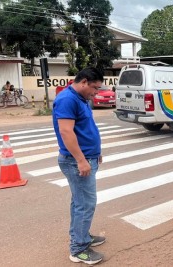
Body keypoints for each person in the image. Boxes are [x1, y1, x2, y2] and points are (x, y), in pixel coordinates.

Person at [53, 67, 106, 265]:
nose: (96, 93)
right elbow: (66, 132)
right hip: (76, 161)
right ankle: (78, 249)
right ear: (83, 82)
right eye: (94, 88)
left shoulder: (81, 98)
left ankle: (82, 236)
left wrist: (95, 151)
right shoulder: (68, 99)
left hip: (87, 157)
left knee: (80, 203)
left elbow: (85, 128)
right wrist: (81, 160)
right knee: (85, 204)